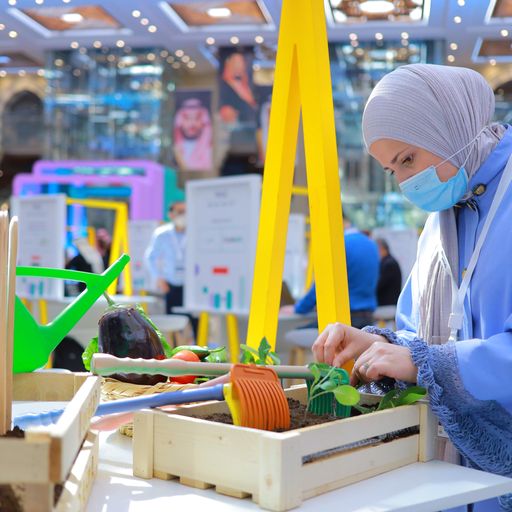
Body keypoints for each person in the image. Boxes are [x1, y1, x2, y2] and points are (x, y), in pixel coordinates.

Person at [311, 64, 512, 511]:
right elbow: (419, 336)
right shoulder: (440, 224)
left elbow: (432, 357)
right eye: (391, 171)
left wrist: (427, 363)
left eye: (407, 160)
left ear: (450, 129)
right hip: (451, 477)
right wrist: (378, 345)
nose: (405, 183)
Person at [287, 214, 380, 329]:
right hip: (367, 318)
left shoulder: (339, 244)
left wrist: (298, 308)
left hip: (343, 321)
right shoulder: (371, 244)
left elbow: (321, 284)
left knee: (291, 333)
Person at [145, 201, 189, 315]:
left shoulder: (194, 232)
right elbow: (150, 257)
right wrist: (159, 278)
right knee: (173, 319)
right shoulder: (162, 234)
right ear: (171, 214)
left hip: (190, 285)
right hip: (170, 283)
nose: (184, 215)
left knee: (194, 320)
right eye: (180, 212)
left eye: (186, 212)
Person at [173, 97, 213, 172]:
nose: (192, 124)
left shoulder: (210, 150)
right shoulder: (174, 148)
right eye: (187, 118)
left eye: (197, 118)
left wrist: (180, 159)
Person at [375, 238, 402, 306]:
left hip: (388, 306)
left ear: (381, 249)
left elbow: (378, 285)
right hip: (388, 305)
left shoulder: (388, 264)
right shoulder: (388, 262)